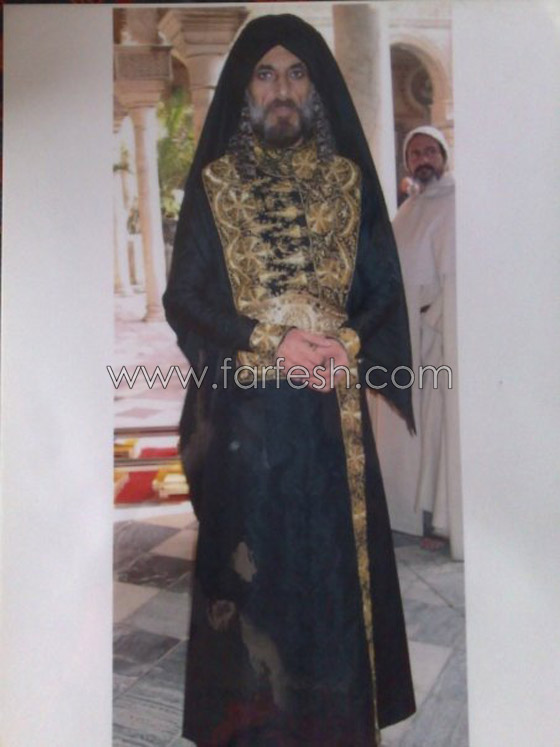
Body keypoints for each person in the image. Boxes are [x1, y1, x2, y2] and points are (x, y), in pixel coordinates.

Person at [163, 15, 416, 746]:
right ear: (246, 91)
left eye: (297, 73)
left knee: (329, 572)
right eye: (267, 74)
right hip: (246, 421)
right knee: (254, 576)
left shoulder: (348, 183)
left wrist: (346, 340)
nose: (283, 89)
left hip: (331, 420)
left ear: (316, 88)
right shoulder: (217, 185)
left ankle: (333, 724)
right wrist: (272, 341)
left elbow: (383, 288)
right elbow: (185, 298)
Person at [374, 125, 463, 559]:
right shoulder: (409, 207)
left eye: (430, 151)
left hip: (431, 338)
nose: (422, 159)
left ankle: (434, 520)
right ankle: (401, 513)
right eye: (415, 153)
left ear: (443, 156)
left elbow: (456, 278)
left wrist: (432, 317)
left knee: (433, 426)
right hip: (401, 334)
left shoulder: (454, 203)